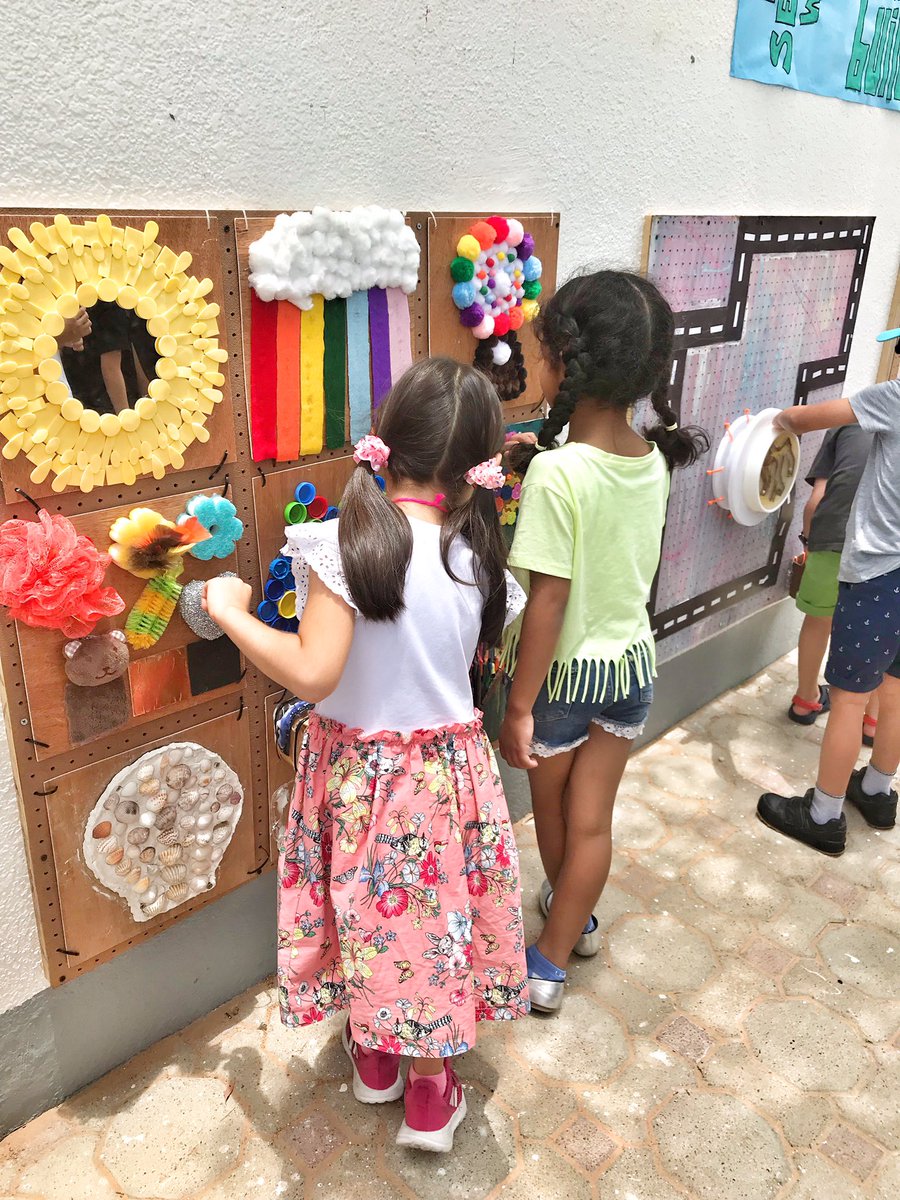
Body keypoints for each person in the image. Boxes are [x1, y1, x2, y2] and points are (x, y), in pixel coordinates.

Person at [204, 358, 528, 1154]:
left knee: (361, 913)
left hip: (354, 778)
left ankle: (377, 1060)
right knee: (431, 929)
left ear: (388, 440)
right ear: (478, 461)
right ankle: (425, 1089)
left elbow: (314, 673)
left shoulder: (338, 546)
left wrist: (230, 612)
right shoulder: (478, 556)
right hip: (445, 780)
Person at [498, 272, 708, 1013]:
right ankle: (571, 926)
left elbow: (548, 601)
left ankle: (552, 955)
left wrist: (520, 706)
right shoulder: (651, 458)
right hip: (630, 668)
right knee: (594, 821)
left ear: (562, 360)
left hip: (562, 681)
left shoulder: (558, 473)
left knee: (556, 819)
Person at [758, 379, 900, 854]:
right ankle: (878, 792)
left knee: (849, 700)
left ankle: (823, 815)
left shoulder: (895, 396)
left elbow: (804, 419)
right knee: (896, 691)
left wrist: (772, 422)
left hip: (881, 571)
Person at [788, 424, 879, 745]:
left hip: (831, 534)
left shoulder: (847, 422)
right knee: (882, 635)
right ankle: (871, 722)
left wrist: (808, 543)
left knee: (818, 621)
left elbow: (817, 498)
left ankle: (805, 701)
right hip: (884, 549)